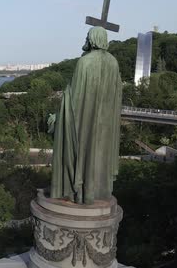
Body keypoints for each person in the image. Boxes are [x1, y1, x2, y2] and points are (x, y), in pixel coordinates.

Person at [50, 26, 123, 204]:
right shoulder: (113, 62)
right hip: (106, 120)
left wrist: (59, 116)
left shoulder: (85, 62)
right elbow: (117, 92)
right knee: (99, 153)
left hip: (85, 119)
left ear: (92, 39)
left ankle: (81, 192)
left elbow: (74, 98)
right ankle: (98, 191)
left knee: (83, 151)